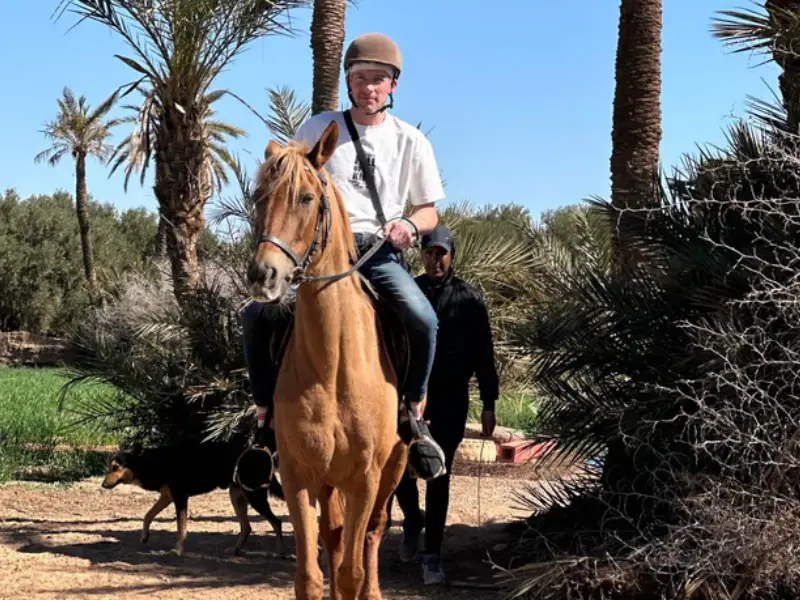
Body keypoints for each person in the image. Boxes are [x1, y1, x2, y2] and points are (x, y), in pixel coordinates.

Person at [242, 32, 448, 480]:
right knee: (256, 317)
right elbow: (289, 187)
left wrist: (410, 225)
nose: (368, 87)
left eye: (378, 79)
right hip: (317, 257)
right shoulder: (316, 128)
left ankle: (413, 416)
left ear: (392, 86)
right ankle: (263, 423)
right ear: (348, 82)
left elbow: (429, 208)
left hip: (377, 252)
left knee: (423, 319)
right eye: (360, 78)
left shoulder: (411, 141)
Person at [392, 224, 500, 585]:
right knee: (397, 466)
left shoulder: (469, 299)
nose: (435, 260)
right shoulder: (410, 293)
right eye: (429, 253)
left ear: (451, 256)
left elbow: (485, 353)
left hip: (452, 397)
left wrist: (489, 402)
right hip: (411, 397)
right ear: (421, 255)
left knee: (438, 473)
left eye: (441, 253)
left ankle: (432, 556)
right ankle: (412, 518)